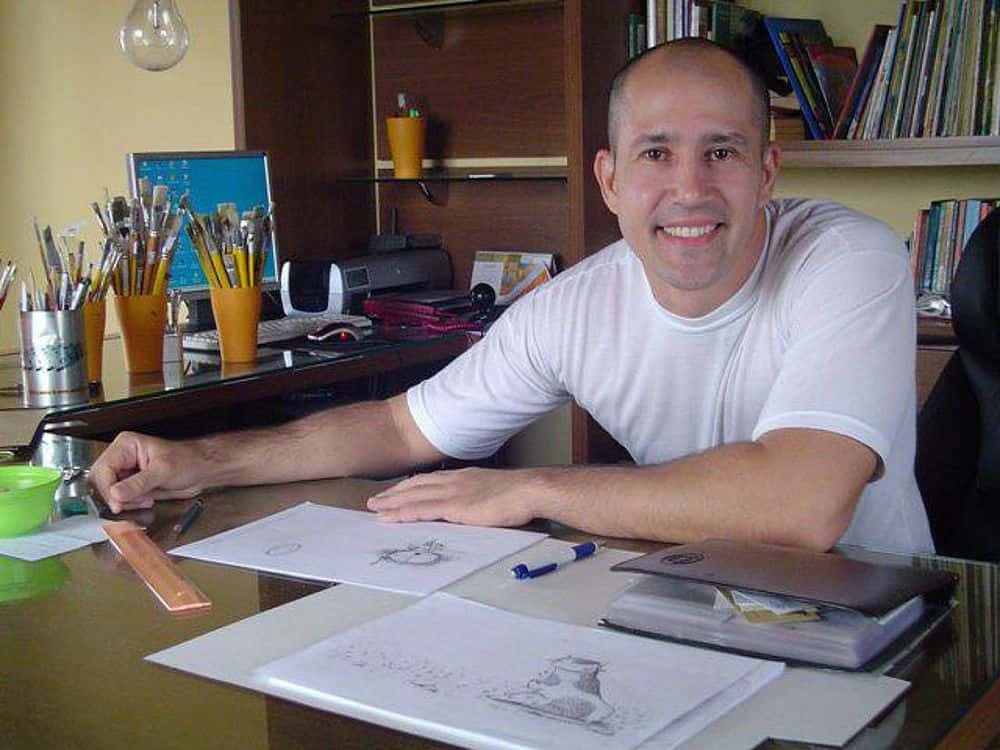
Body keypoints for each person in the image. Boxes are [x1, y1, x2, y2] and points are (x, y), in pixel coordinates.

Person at [89, 39, 933, 553]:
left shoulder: (847, 261)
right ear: (609, 179)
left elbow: (802, 504)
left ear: (768, 171)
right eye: (655, 154)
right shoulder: (574, 307)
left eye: (722, 152)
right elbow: (398, 427)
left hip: (878, 622)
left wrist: (534, 489)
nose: (689, 190)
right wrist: (197, 461)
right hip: (696, 597)